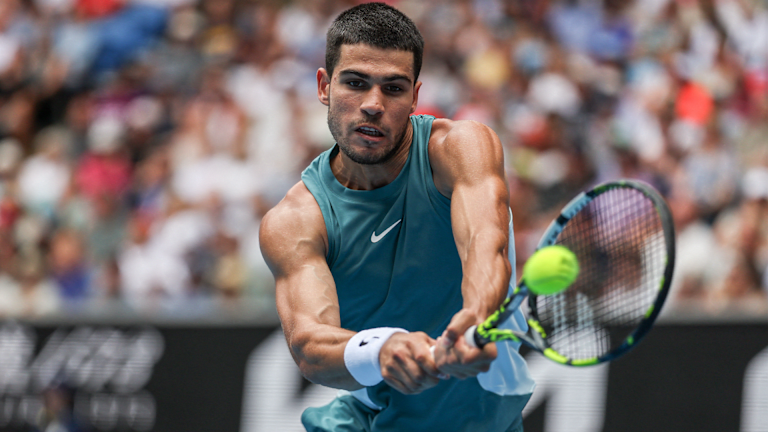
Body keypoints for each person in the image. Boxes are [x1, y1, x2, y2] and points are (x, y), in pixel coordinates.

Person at [259, 3, 534, 431]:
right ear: (324, 86)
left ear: (415, 97)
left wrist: (477, 317)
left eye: (393, 88)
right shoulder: (296, 220)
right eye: (355, 83)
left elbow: (485, 241)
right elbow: (311, 345)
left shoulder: (460, 149)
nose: (373, 104)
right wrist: (383, 350)